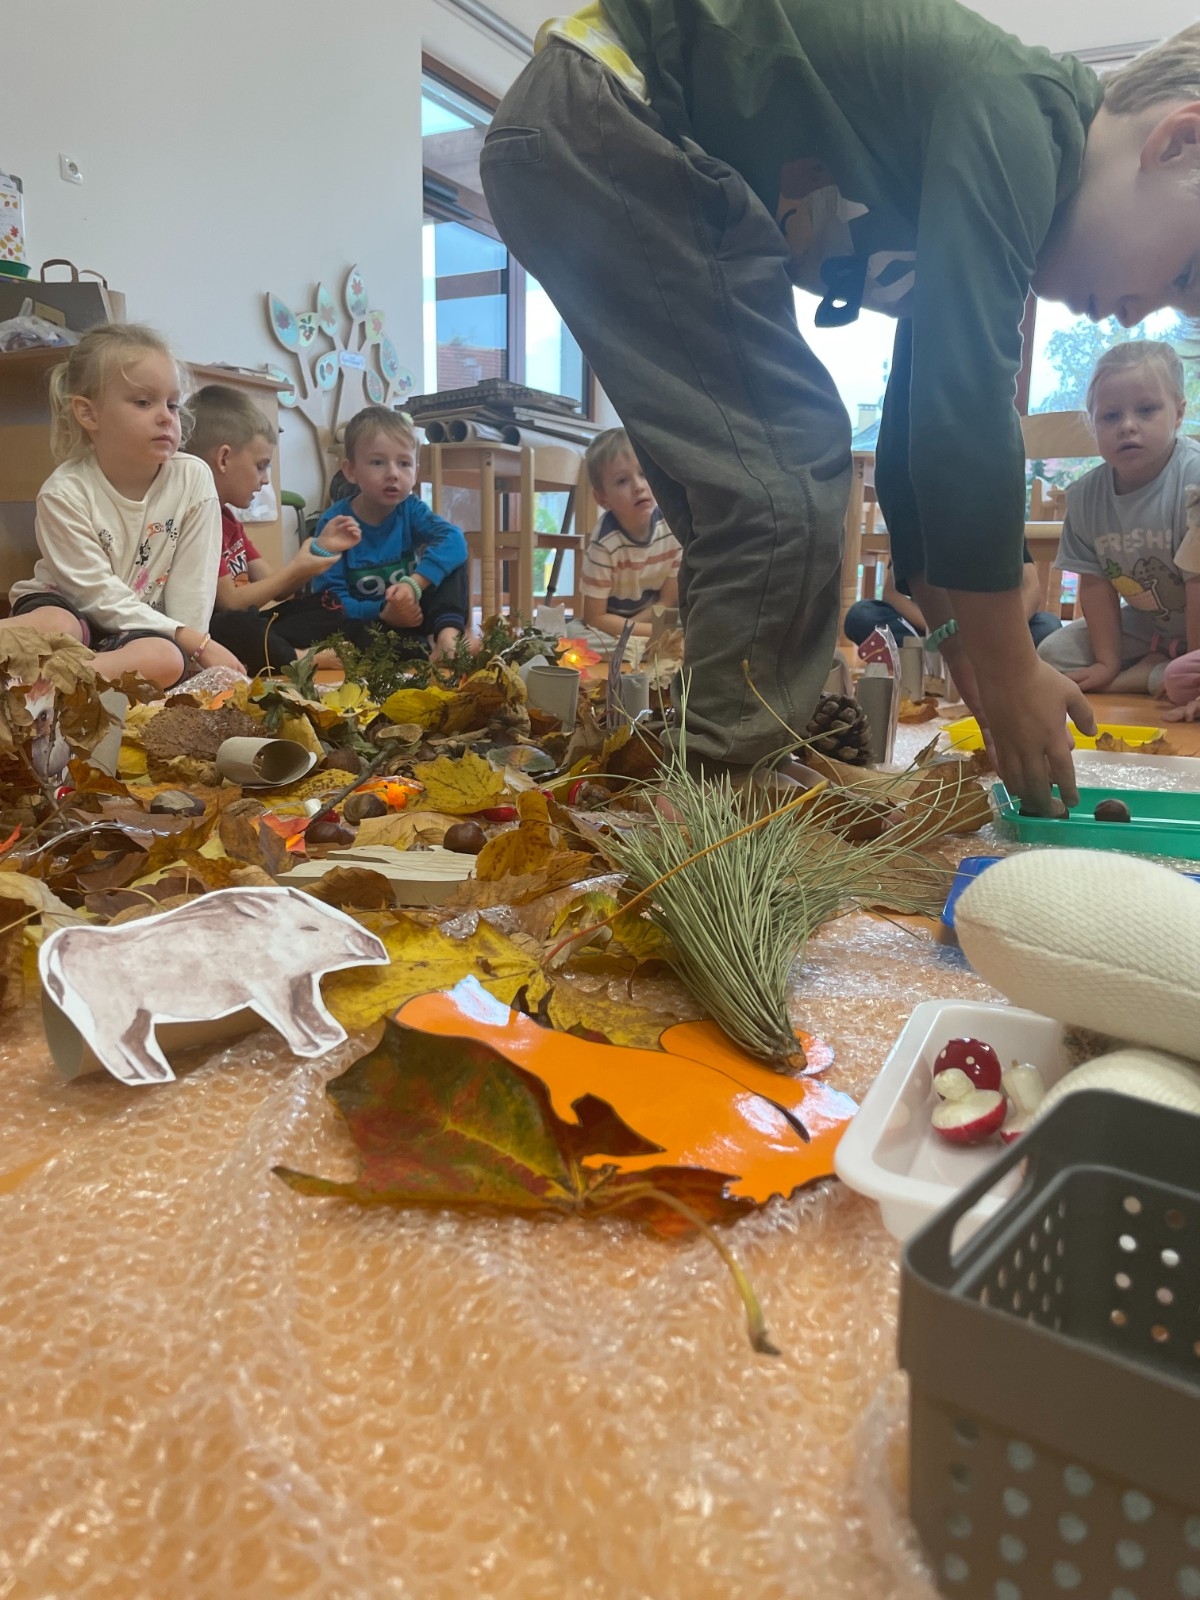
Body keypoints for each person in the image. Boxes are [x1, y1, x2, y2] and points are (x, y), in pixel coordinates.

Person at [479, 7, 1200, 811]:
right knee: (785, 472)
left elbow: (909, 440)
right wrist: (1006, 665)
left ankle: (717, 765)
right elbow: (961, 408)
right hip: (608, 111)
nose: (1149, 313)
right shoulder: (1024, 112)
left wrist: (958, 635)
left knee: (749, 486)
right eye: (1188, 275)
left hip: (590, 130)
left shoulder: (1012, 156)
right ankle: (720, 800)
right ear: (1178, 142)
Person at [3, 323, 241, 687]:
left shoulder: (193, 478)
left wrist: (193, 647)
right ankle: (42, 677)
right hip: (66, 606)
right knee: (61, 627)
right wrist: (193, 641)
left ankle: (44, 684)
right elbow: (94, 594)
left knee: (165, 658)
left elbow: (193, 590)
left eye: (173, 404)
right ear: (88, 414)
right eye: (143, 402)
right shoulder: (64, 493)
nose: (166, 416)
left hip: (136, 628)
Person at [1038, 341, 1200, 696]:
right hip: (1150, 626)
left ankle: (1154, 676)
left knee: (1190, 676)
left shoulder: (1194, 477)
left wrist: (1194, 660)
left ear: (1177, 414)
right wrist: (1106, 662)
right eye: (1110, 416)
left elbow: (1196, 582)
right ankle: (1158, 674)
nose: (1127, 426)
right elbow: (1095, 585)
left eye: (1146, 410)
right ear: (1092, 423)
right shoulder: (1084, 496)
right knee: (1051, 656)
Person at [183, 385, 362, 671]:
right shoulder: (199, 520)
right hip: (216, 630)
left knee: (327, 605)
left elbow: (278, 589)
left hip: (247, 622)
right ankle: (301, 658)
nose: (266, 480)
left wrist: (315, 553)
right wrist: (297, 568)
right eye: (261, 466)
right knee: (239, 625)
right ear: (224, 459)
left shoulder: (229, 518)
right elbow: (231, 603)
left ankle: (275, 652)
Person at [311, 406, 470, 660]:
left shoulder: (411, 509)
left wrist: (414, 585)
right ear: (350, 471)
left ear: (416, 473)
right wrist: (384, 611)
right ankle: (423, 649)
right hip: (370, 620)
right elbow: (331, 601)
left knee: (452, 556)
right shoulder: (335, 523)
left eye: (404, 463)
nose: (393, 474)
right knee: (385, 646)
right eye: (377, 462)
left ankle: (447, 637)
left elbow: (454, 540)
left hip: (413, 609)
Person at [581, 426, 681, 639]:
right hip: (610, 624)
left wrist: (637, 631)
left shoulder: (672, 528)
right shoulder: (604, 544)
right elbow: (594, 617)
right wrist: (651, 634)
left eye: (644, 473)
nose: (639, 486)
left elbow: (667, 602)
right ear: (602, 499)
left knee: (692, 623)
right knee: (579, 637)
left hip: (650, 619)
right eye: (622, 481)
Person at [846, 554, 1062, 650]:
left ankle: (923, 657)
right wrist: (944, 630)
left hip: (993, 627)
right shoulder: (917, 514)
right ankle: (931, 656)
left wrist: (1003, 630)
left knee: (1049, 627)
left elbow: (1032, 587)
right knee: (862, 615)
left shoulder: (997, 513)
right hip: (930, 624)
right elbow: (892, 594)